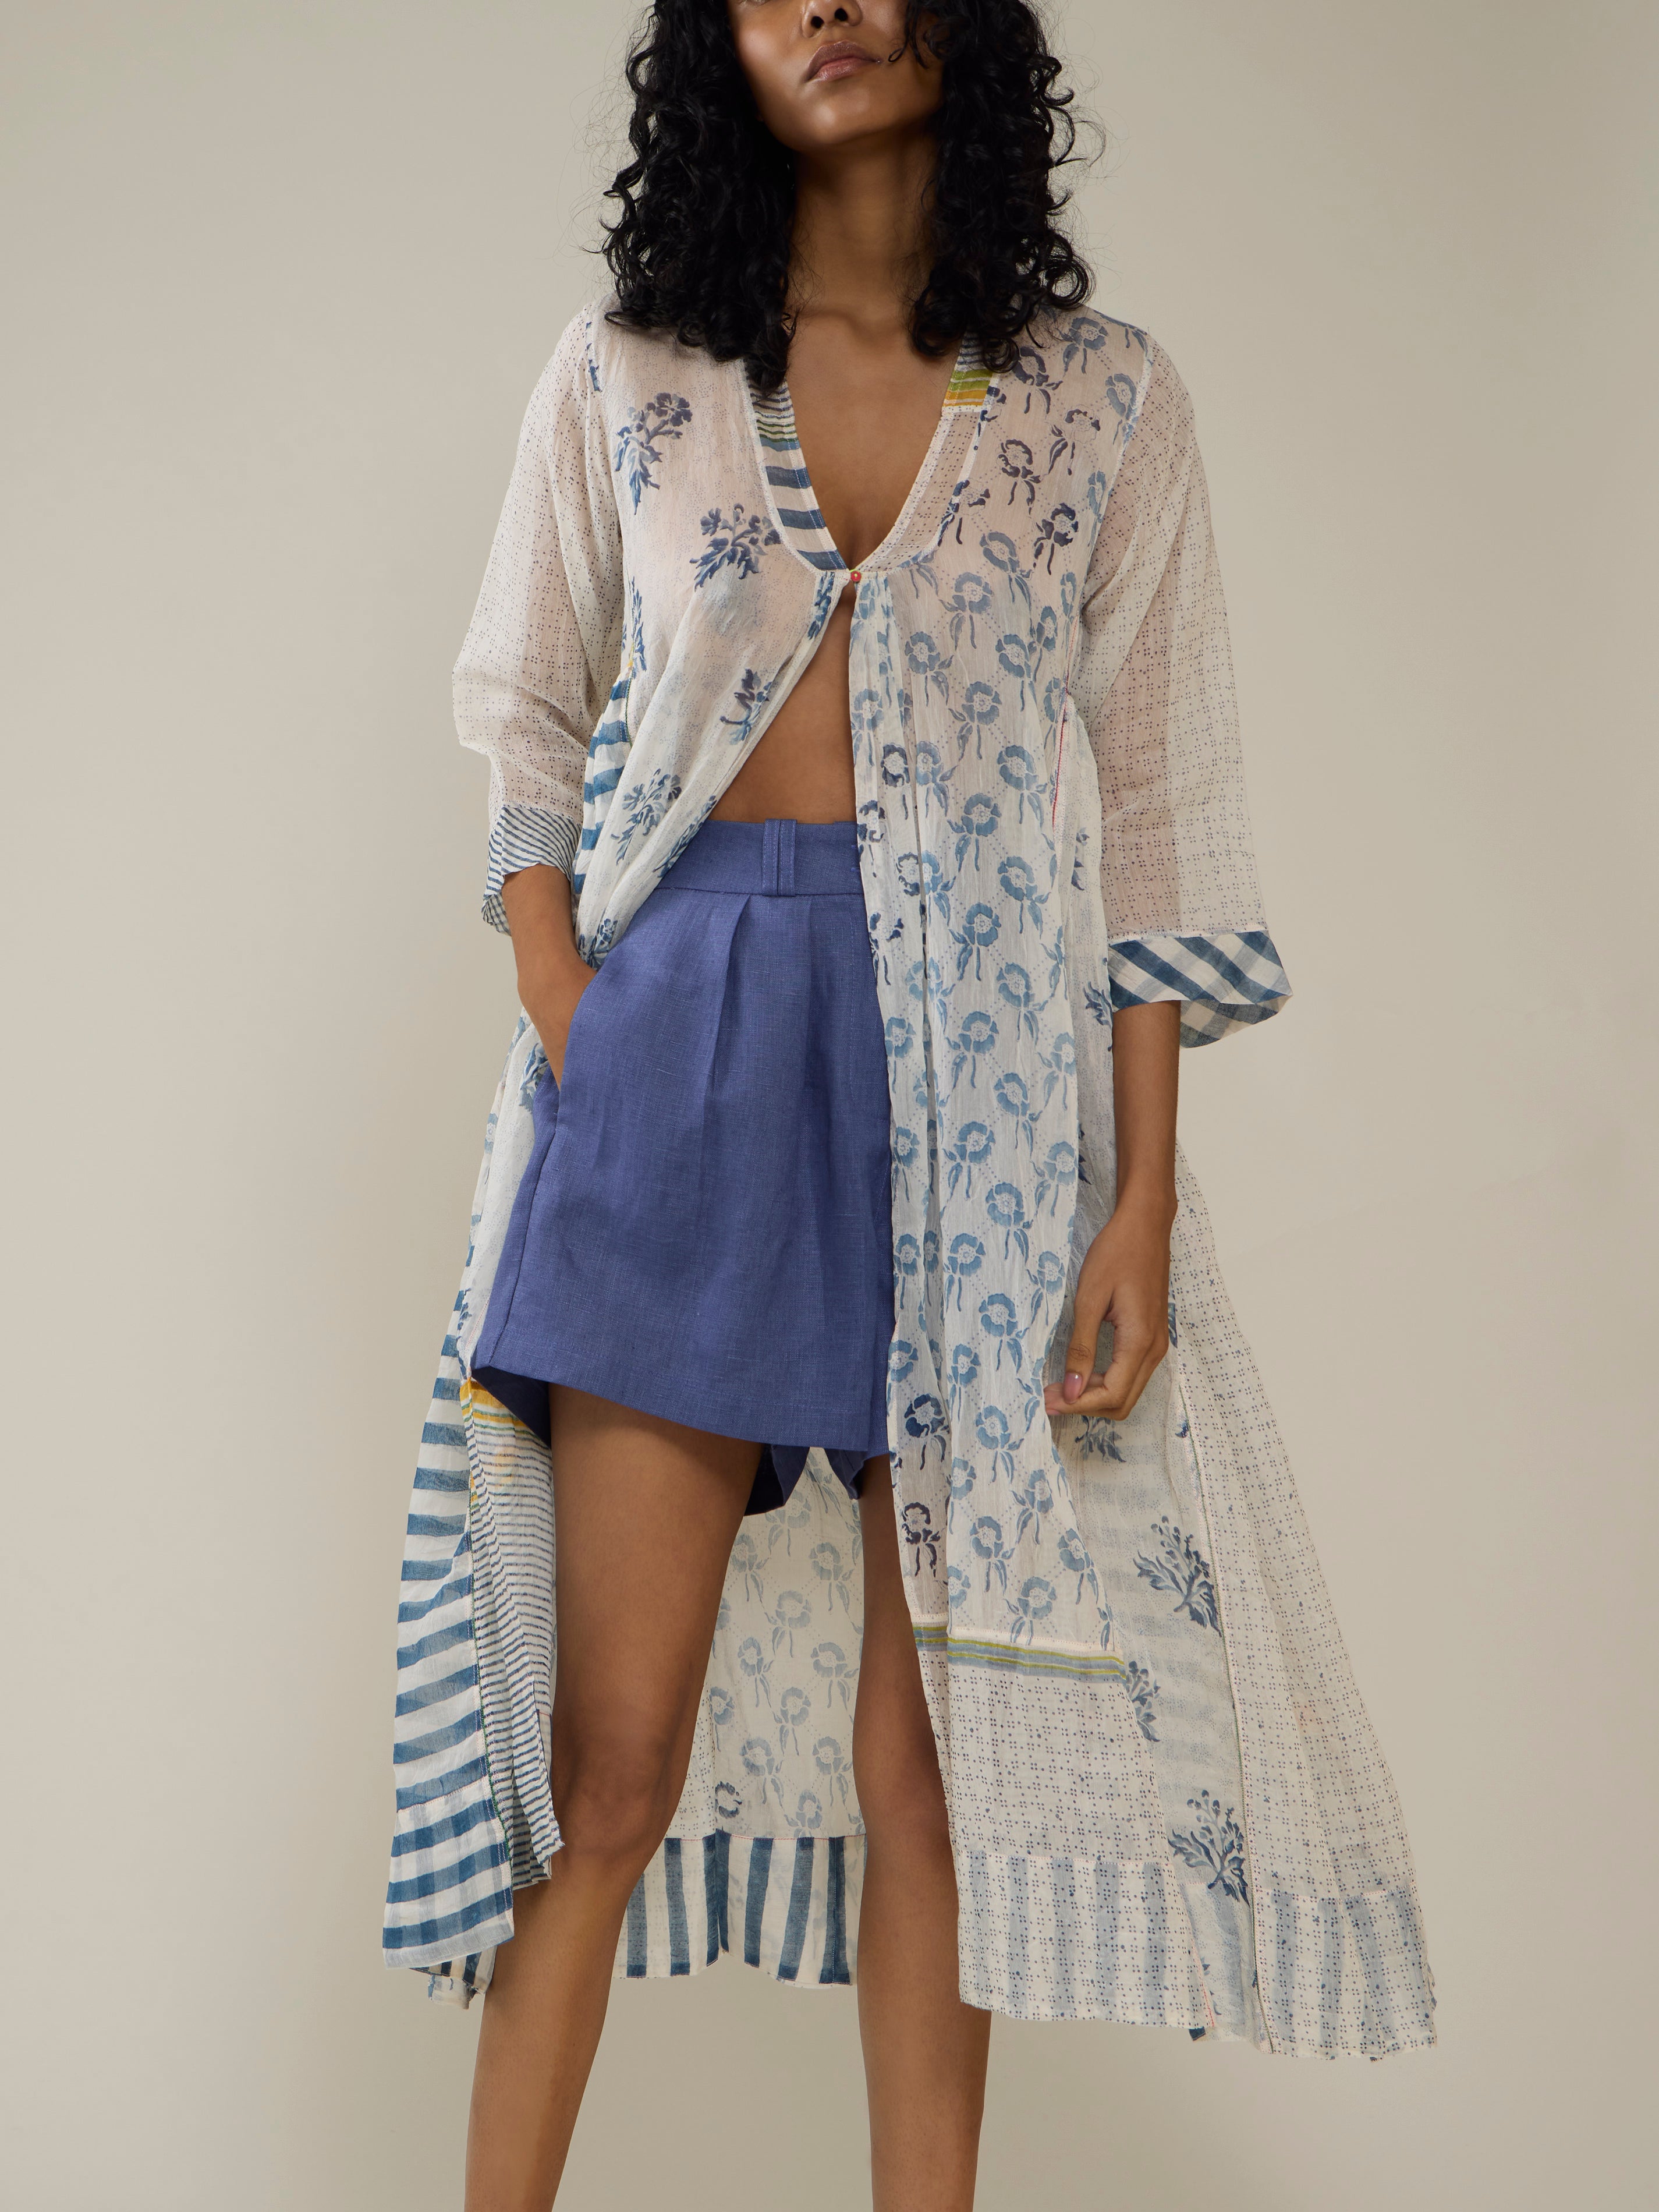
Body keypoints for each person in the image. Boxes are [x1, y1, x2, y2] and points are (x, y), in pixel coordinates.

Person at [384, 4, 1436, 2206]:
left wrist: (1138, 1201)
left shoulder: (1102, 399)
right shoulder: (629, 376)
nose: (828, 5)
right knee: (609, 1766)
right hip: (676, 1069)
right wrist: (576, 1015)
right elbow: (526, 712)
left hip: (985, 1094)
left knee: (938, 1769)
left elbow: (1155, 818)